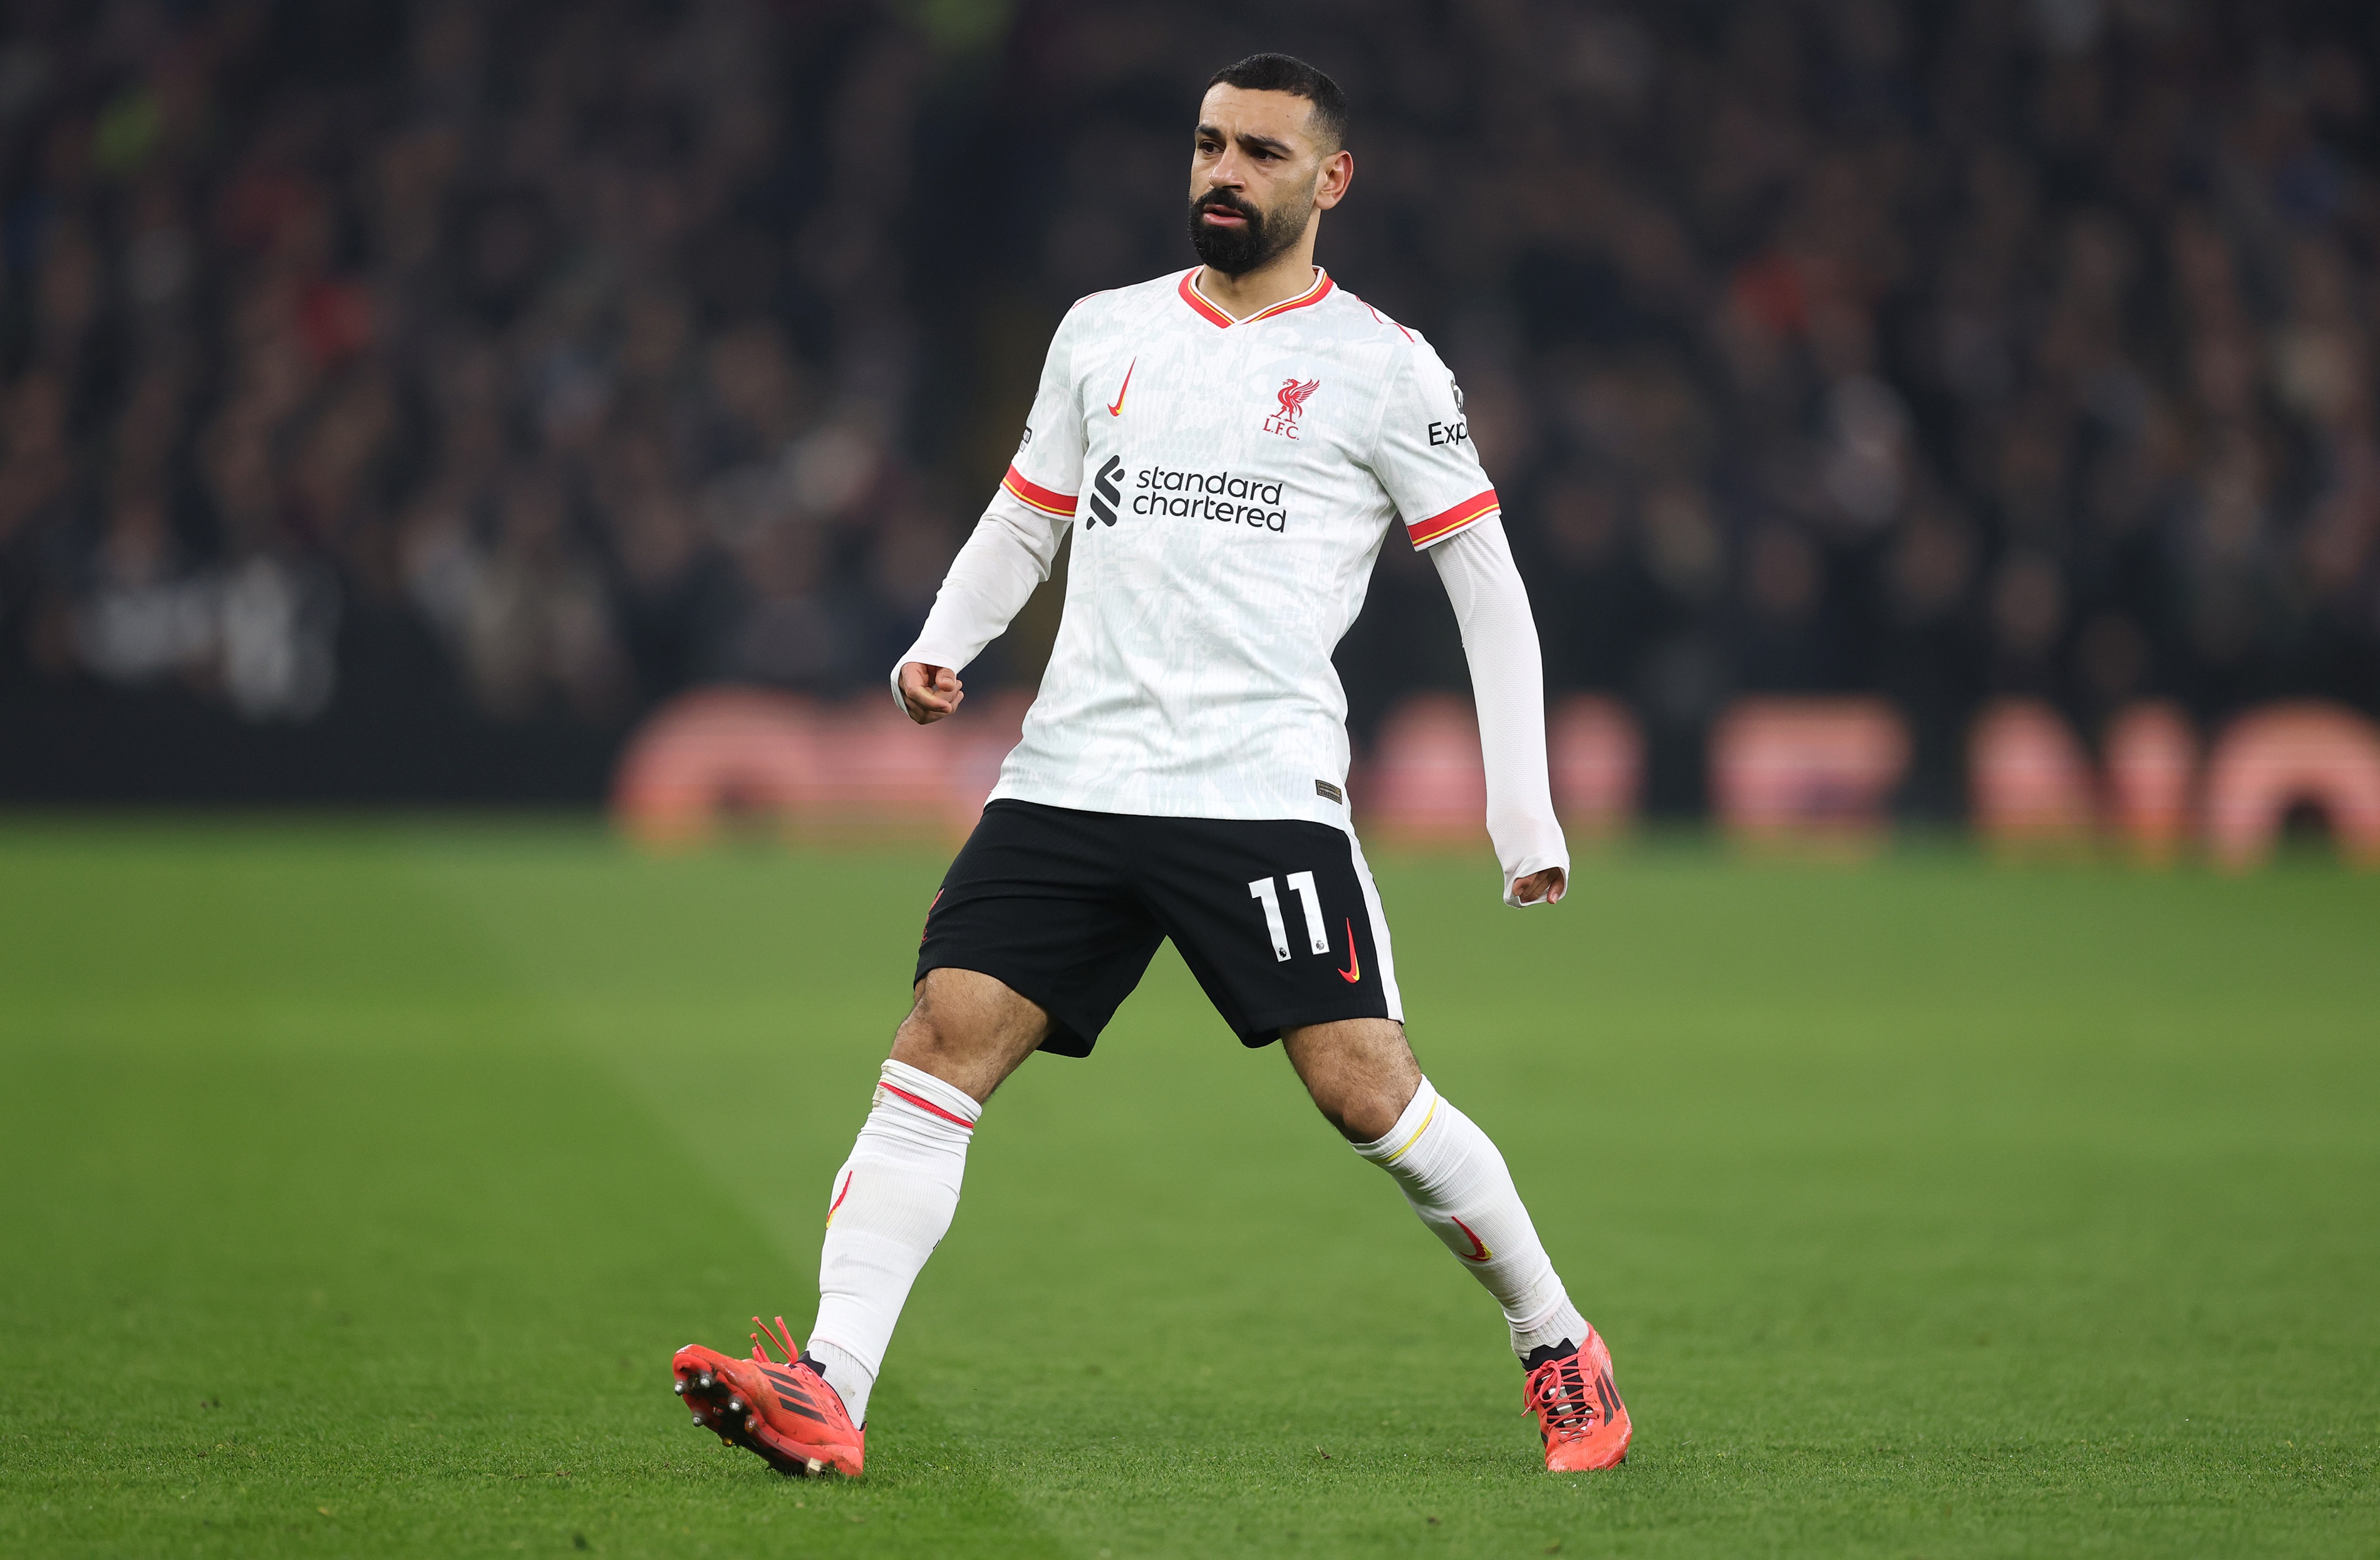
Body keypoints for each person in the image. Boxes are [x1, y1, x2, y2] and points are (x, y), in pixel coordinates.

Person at [669, 51, 1628, 1478]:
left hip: (1254, 790)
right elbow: (1023, 515)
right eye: (1206, 146)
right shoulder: (1101, 333)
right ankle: (832, 1384)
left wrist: (1520, 809)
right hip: (1071, 772)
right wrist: (944, 640)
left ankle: (1558, 1344)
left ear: (1329, 179)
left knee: (1365, 1088)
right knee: (939, 1042)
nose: (1222, 174)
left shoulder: (1384, 366)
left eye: (1256, 152)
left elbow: (1484, 582)